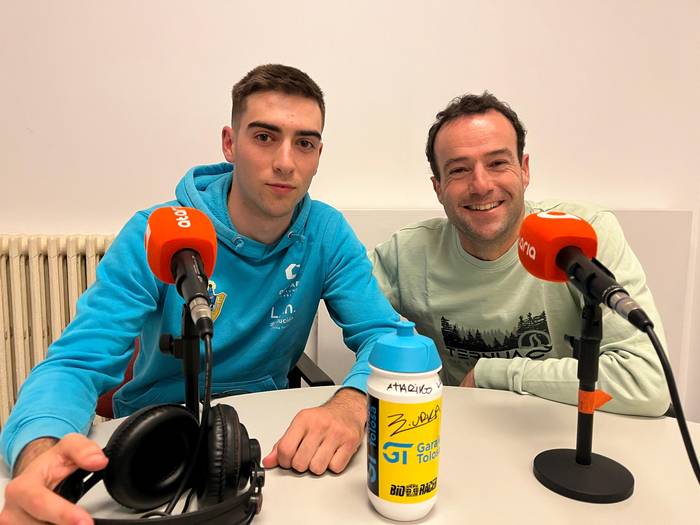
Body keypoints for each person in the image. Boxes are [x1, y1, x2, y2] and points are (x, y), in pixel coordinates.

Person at [0, 64, 400, 524]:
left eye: (304, 143)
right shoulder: (156, 231)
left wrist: (351, 404)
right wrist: (38, 454)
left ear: (318, 154)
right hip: (159, 443)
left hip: (263, 442)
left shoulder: (326, 232)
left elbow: (387, 336)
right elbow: (76, 362)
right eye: (264, 137)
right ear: (230, 143)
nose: (286, 162)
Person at [370, 91, 670, 417]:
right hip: (464, 430)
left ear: (524, 170)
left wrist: (495, 374)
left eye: (497, 163)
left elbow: (646, 382)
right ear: (438, 187)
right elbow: (338, 289)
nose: (481, 185)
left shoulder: (584, 235)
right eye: (459, 170)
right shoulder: (408, 254)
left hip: (565, 430)